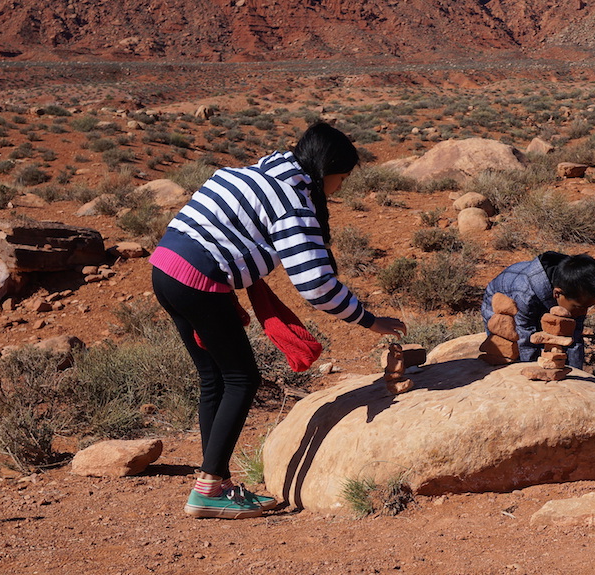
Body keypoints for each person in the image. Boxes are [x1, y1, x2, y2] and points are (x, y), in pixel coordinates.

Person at [150, 122, 407, 519]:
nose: (341, 187)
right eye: (343, 178)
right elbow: (316, 285)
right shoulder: (292, 203)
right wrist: (368, 320)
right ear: (328, 171)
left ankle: (212, 479)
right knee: (242, 379)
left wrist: (226, 291)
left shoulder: (253, 173)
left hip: (165, 269)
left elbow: (218, 234)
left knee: (214, 378)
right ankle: (209, 488)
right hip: (199, 281)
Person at [481, 251, 595, 369]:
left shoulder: (578, 292)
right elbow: (525, 336)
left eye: (588, 308)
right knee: (512, 349)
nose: (583, 313)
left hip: (541, 298)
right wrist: (532, 371)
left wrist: (575, 371)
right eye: (580, 308)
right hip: (501, 303)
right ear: (557, 294)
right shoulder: (525, 294)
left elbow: (574, 336)